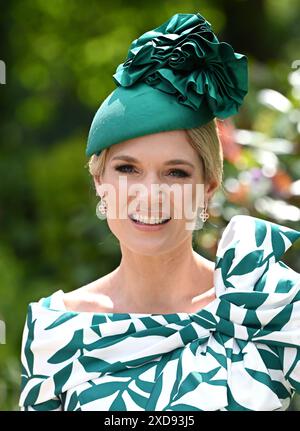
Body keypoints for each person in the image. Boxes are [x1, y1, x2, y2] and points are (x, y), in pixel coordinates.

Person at [19, 12, 300, 411]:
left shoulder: (262, 307)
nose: (150, 195)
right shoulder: (54, 328)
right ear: (100, 181)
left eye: (175, 172)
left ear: (207, 190)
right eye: (128, 169)